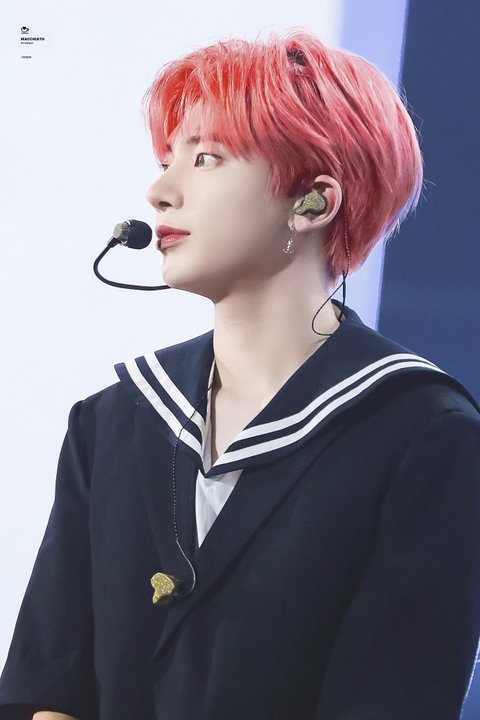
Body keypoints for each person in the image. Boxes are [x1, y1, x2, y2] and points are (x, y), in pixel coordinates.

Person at [1, 26, 480, 720]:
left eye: (206, 158)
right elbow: (48, 688)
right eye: (167, 159)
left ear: (313, 202)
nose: (160, 192)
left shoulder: (422, 435)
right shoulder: (113, 420)